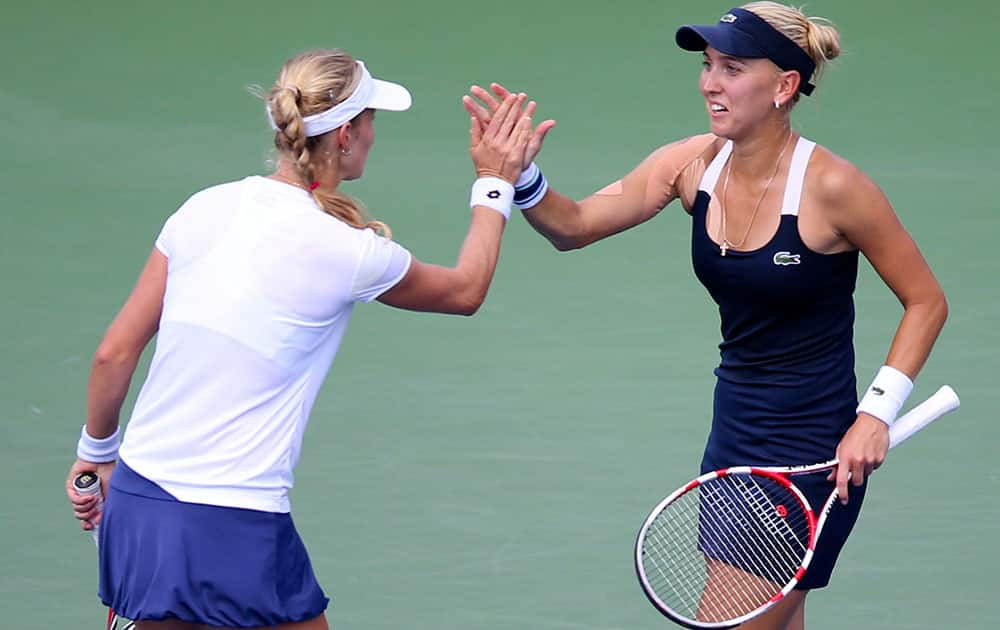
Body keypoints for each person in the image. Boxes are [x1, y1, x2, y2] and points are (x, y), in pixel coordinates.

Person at [463, 3, 947, 629]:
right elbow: (574, 226)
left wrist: (876, 415)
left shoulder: (833, 188)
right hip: (732, 440)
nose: (709, 82)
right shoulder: (693, 163)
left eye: (733, 68)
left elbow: (926, 300)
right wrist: (518, 172)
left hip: (811, 454)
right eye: (708, 64)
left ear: (784, 87)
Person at [65, 48, 534, 630]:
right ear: (344, 136)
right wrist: (495, 183)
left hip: (139, 502)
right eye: (370, 122)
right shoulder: (349, 251)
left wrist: (96, 455)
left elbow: (115, 351)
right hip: (231, 519)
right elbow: (466, 290)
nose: (372, 135)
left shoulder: (201, 208)